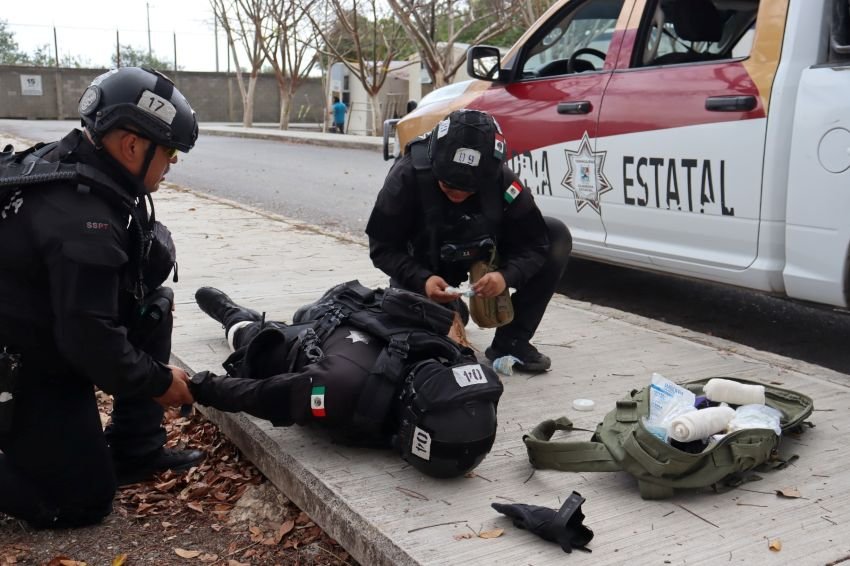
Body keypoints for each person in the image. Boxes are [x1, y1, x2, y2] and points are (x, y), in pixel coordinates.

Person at [0, 66, 202, 529]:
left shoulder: (76, 162)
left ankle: (135, 449)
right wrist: (158, 382)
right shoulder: (80, 220)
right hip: (21, 362)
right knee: (80, 501)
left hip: (44, 334)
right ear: (131, 145)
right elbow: (88, 339)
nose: (172, 163)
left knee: (153, 305)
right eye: (169, 151)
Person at [190, 282, 503, 478]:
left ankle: (234, 317)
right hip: (345, 308)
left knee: (255, 341)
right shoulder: (452, 358)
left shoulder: (338, 391)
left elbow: (263, 394)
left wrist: (199, 388)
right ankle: (244, 319)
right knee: (285, 324)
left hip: (320, 336)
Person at [365, 109, 572, 373]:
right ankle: (450, 307)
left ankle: (512, 340)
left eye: (469, 190)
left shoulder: (502, 179)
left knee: (556, 236)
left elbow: (536, 243)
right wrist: (421, 279)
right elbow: (382, 247)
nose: (458, 195)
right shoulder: (406, 177)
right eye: (448, 186)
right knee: (435, 337)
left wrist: (506, 277)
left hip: (483, 251)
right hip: (424, 265)